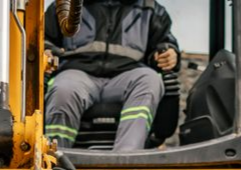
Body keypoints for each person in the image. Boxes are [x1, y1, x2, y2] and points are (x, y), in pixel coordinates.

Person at [44, 0, 180, 152]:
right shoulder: (66, 5)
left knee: (150, 80)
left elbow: (164, 43)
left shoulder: (151, 9)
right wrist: (46, 49)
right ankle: (55, 156)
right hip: (77, 73)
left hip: (127, 75)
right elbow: (43, 39)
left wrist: (169, 53)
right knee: (63, 88)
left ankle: (127, 156)